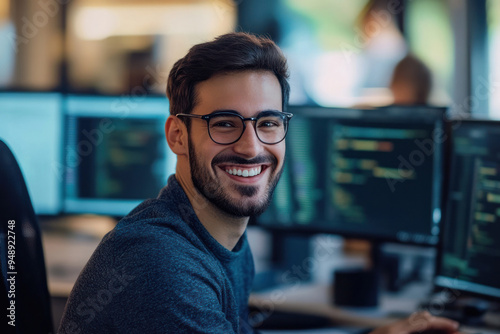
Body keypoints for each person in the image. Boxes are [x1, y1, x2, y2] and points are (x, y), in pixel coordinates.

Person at [59, 32, 459, 334]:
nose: (251, 148)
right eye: (225, 124)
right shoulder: (160, 266)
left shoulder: (222, 238)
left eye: (268, 123)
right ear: (177, 135)